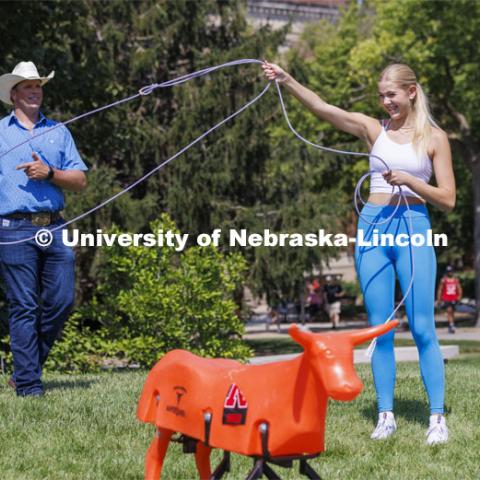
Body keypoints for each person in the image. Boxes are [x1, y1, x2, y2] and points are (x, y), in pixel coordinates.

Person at [263, 61, 455, 445]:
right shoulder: (374, 130)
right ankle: (386, 415)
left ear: (412, 92)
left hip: (413, 229)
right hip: (372, 229)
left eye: (392, 95)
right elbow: (324, 109)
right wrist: (288, 80)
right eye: (381, 95)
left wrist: (412, 181)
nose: (386, 102)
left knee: (421, 328)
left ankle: (437, 418)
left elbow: (448, 199)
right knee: (380, 328)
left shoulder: (435, 138)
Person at [0, 61, 88, 396]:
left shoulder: (59, 132)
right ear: (14, 95)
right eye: (27, 87)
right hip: (11, 229)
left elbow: (79, 180)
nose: (35, 91)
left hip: (53, 227)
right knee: (23, 305)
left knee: (62, 301)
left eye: (38, 86)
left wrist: (49, 173)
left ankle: (25, 368)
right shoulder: (0, 133)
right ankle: (29, 386)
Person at [437, 265, 463, 334]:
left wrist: (459, 297)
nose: (450, 272)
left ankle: (451, 324)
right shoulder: (443, 280)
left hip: (454, 298)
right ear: (447, 272)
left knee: (453, 312)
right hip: (446, 298)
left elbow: (459, 289)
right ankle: (451, 325)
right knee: (449, 310)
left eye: (451, 271)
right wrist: (439, 299)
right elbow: (440, 290)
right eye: (448, 271)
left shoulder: (455, 280)